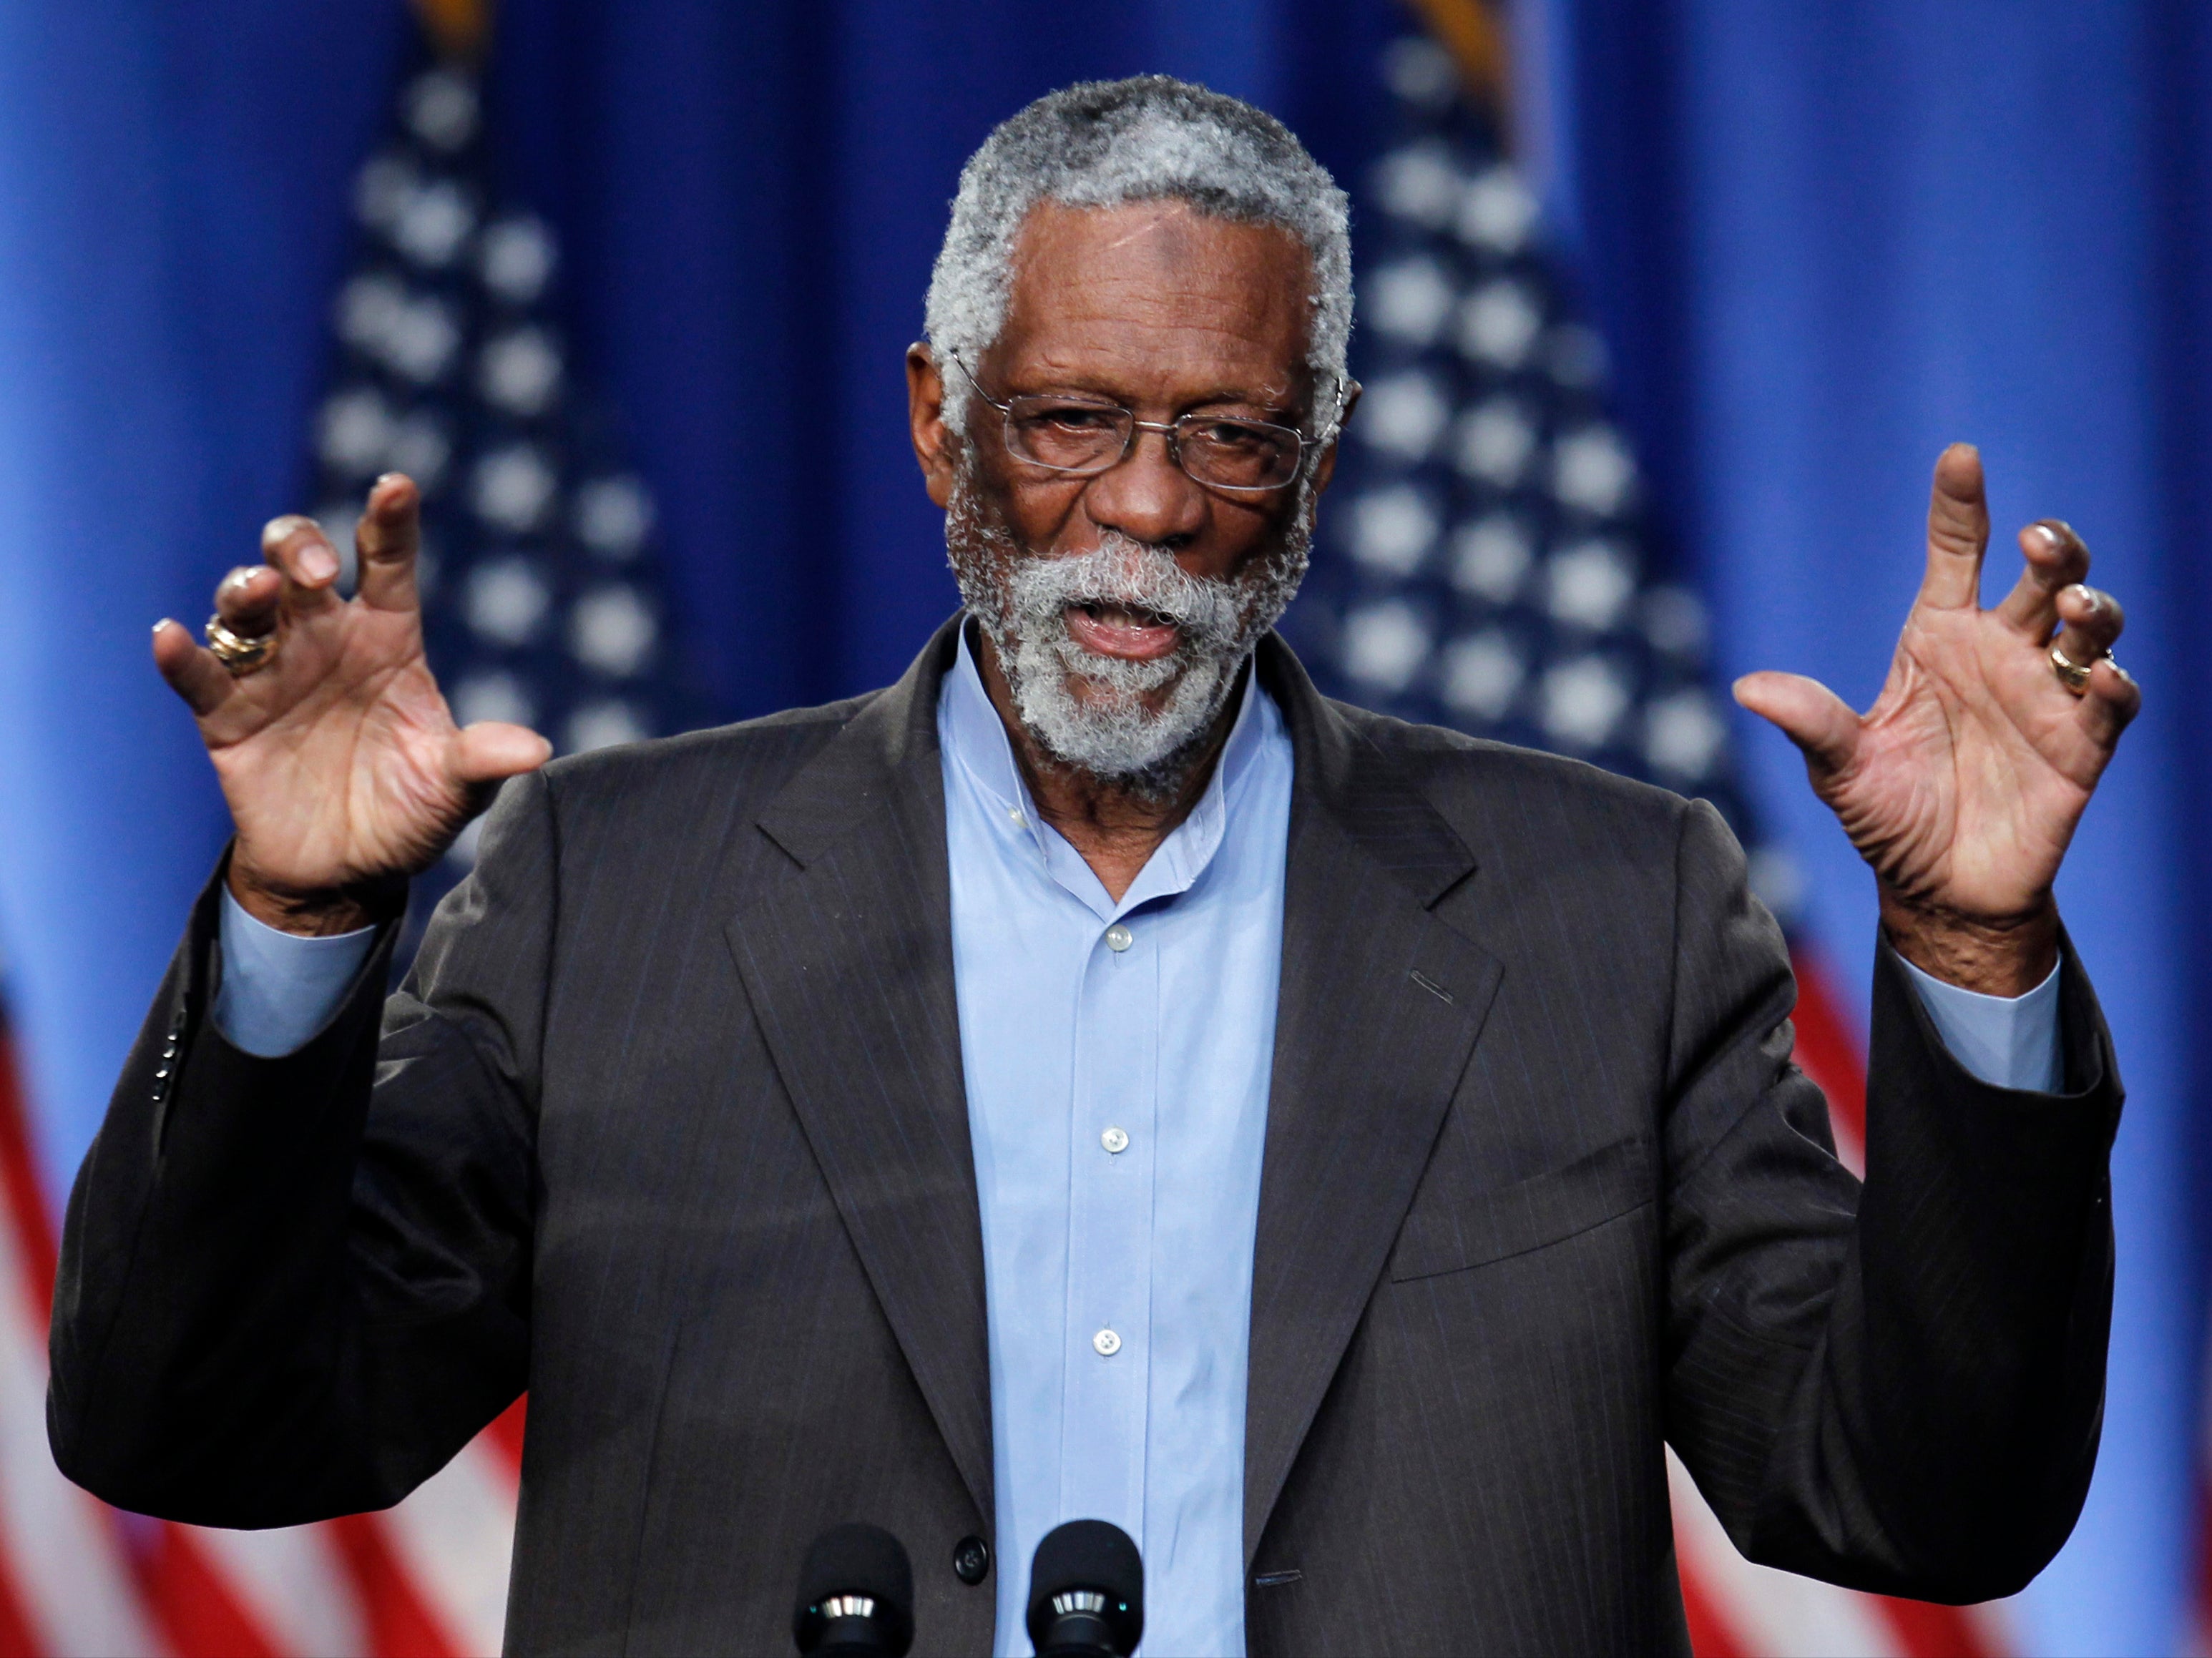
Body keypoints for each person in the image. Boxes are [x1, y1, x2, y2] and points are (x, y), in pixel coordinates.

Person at [52, 77, 2137, 1657]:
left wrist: (1966, 947)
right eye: (1065, 422)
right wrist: (301, 925)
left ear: (1312, 472)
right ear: (936, 424)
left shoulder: (1610, 908)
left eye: (1228, 437)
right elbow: (199, 1428)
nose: (1143, 508)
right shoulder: (612, 890)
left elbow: (1914, 1505)